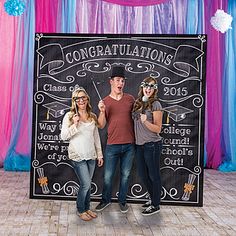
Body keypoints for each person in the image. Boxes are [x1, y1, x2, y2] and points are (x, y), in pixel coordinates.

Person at [95, 66, 135, 213]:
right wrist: (101, 111)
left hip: (129, 145)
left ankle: (122, 201)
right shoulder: (105, 101)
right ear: (111, 81)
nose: (120, 83)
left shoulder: (130, 99)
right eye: (118, 80)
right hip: (112, 145)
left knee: (125, 175)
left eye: (123, 81)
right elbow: (101, 125)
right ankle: (105, 200)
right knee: (108, 176)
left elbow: (136, 118)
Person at [61, 87, 104, 221]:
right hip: (77, 155)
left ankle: (87, 208)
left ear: (87, 99)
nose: (81, 100)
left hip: (91, 155)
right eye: (77, 98)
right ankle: (81, 209)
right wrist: (74, 124)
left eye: (83, 97)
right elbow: (63, 136)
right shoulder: (69, 116)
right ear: (74, 101)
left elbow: (96, 136)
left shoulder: (93, 116)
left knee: (88, 183)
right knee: (85, 184)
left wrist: (100, 154)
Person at [132, 76, 163, 216]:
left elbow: (158, 129)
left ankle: (156, 204)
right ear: (142, 87)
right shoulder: (138, 103)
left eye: (151, 87)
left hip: (152, 145)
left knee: (154, 175)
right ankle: (153, 198)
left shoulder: (156, 104)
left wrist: (145, 122)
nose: (148, 89)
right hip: (139, 145)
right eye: (146, 86)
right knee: (143, 176)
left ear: (154, 89)